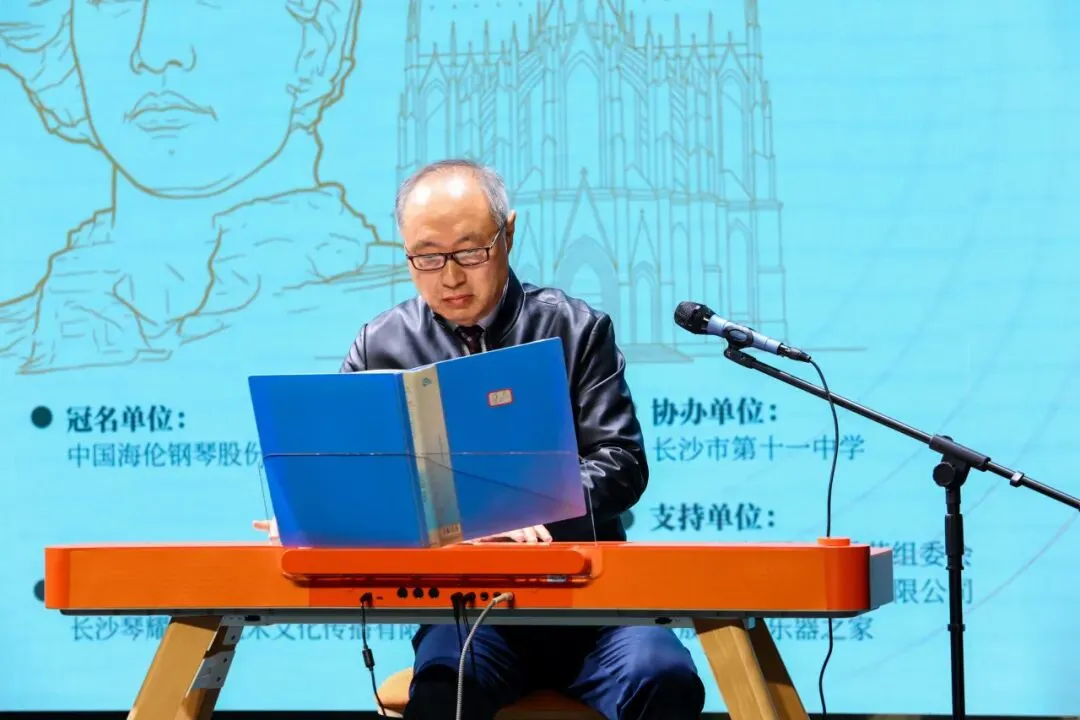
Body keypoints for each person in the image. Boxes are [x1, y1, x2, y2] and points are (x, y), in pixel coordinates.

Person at [337, 158, 706, 720]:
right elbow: (357, 474)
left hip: (591, 605)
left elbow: (622, 463)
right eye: (427, 257)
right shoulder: (380, 346)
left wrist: (523, 508)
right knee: (444, 689)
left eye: (469, 252)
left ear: (507, 234)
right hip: (466, 608)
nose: (450, 277)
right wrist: (321, 512)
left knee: (664, 677)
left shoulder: (575, 328)